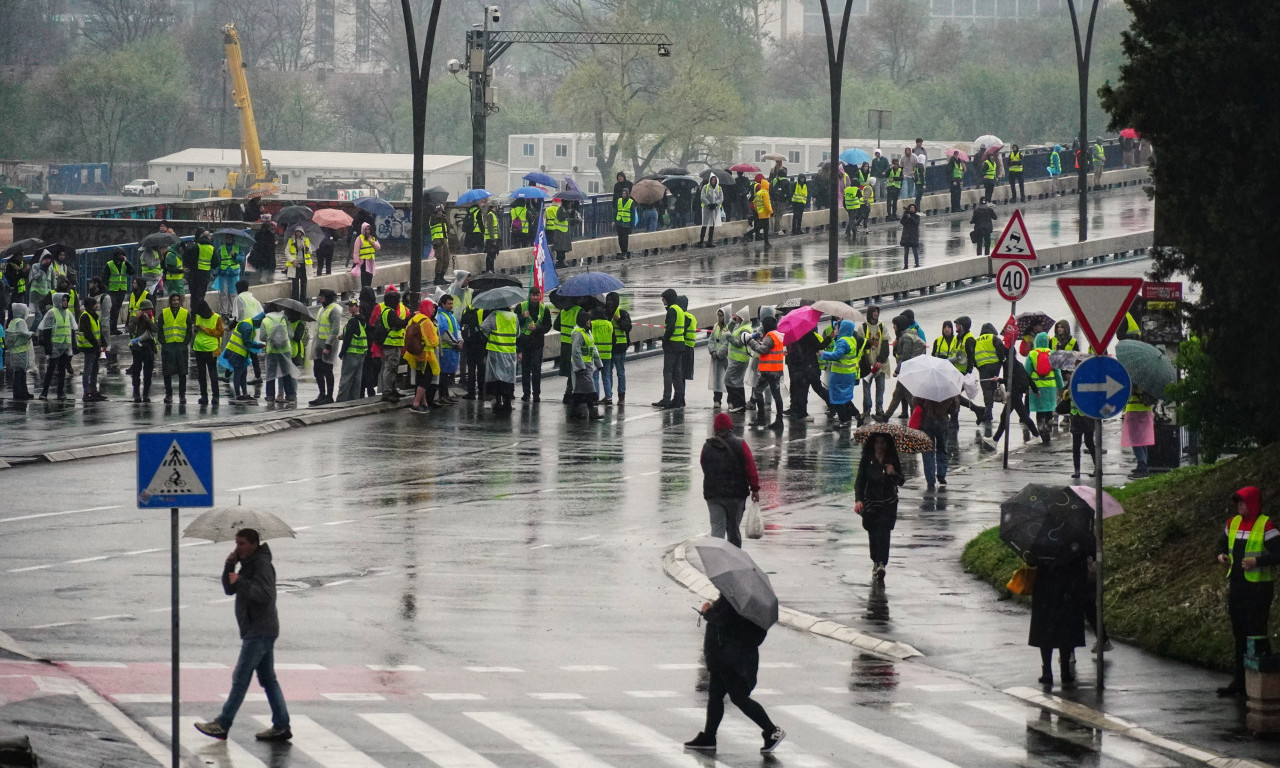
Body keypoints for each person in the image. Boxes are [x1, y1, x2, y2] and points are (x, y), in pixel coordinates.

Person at [195, 528, 291, 743]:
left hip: (259, 630)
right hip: (258, 629)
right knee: (268, 679)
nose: (238, 547)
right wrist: (229, 565)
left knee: (241, 678)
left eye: (242, 544)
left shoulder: (262, 564)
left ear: (254, 544)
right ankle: (282, 725)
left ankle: (222, 723)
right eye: (237, 543)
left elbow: (266, 595)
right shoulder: (247, 564)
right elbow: (230, 590)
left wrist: (241, 581)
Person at [683, 596, 786, 754]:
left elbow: (724, 621)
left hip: (733, 659)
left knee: (739, 698)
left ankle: (772, 731)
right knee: (715, 697)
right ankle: (709, 737)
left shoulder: (735, 600)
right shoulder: (735, 598)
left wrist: (707, 611)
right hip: (723, 656)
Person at [1216, 487, 1280, 697]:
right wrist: (1221, 556)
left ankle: (1263, 682)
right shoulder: (1232, 523)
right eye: (1237, 502)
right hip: (1238, 586)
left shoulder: (1265, 525)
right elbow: (1221, 545)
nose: (1239, 506)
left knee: (1256, 634)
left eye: (1242, 502)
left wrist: (1257, 561)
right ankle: (1241, 681)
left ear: (1252, 503)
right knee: (1239, 633)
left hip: (1259, 588)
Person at [700, 412, 761, 546]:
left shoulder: (707, 446)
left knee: (717, 529)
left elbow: (704, 466)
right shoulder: (740, 444)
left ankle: (718, 560)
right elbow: (750, 467)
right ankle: (734, 558)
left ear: (715, 428)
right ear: (730, 427)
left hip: (713, 495)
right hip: (735, 495)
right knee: (733, 529)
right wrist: (755, 488)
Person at [1029, 551, 1089, 689]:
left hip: (1045, 588)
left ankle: (1047, 672)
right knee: (1065, 628)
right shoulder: (1071, 535)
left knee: (1045, 630)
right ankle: (1065, 671)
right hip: (1067, 588)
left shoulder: (1039, 535)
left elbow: (1031, 559)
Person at [855, 433, 905, 582]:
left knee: (884, 531)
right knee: (873, 533)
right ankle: (875, 560)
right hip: (870, 502)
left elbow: (901, 481)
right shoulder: (867, 459)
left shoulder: (892, 460)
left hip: (888, 502)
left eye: (883, 443)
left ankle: (882, 563)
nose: (880, 446)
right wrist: (858, 500)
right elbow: (860, 481)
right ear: (873, 444)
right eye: (877, 443)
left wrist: (893, 472)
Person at [819, 320, 863, 428]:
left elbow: (836, 355)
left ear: (843, 329)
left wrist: (823, 353)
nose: (835, 330)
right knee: (846, 397)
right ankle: (856, 414)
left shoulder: (842, 341)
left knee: (837, 398)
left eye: (836, 328)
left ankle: (844, 420)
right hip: (849, 373)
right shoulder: (851, 339)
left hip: (840, 374)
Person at [221, 303, 264, 404]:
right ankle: (239, 395)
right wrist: (258, 346)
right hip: (236, 353)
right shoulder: (248, 327)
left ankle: (244, 394)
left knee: (243, 374)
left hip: (241, 353)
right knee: (238, 374)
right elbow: (247, 342)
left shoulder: (249, 324)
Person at [748, 315, 785, 429]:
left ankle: (761, 419)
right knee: (776, 395)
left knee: (758, 391)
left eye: (763, 325)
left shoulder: (770, 336)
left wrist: (750, 342)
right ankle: (779, 420)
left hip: (768, 370)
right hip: (777, 370)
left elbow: (763, 350)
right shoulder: (778, 335)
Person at [406, 298, 441, 413]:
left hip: (416, 354)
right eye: (431, 308)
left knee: (420, 378)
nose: (432, 311)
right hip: (427, 355)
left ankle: (424, 403)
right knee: (426, 379)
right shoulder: (426, 322)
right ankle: (416, 403)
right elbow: (433, 341)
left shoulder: (414, 319)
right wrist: (437, 340)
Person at [481, 303, 518, 413]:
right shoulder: (514, 316)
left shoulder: (494, 315)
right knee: (508, 378)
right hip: (510, 351)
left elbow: (484, 327)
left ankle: (498, 401)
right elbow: (518, 333)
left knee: (496, 377)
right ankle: (508, 402)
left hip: (495, 351)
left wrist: (491, 336)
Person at [1025, 332, 1062, 445]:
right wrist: (1060, 386)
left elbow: (1027, 372)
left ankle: (1041, 431)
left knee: (1040, 411)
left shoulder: (1032, 354)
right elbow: (1057, 372)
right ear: (1047, 342)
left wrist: (1026, 386)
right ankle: (1048, 430)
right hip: (1050, 387)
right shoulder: (1052, 353)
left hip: (1037, 387)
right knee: (1049, 410)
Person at [653, 288, 686, 409]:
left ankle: (666, 398)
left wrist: (664, 341)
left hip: (672, 345)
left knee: (668, 372)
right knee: (677, 373)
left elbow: (670, 328)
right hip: (680, 345)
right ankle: (678, 398)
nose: (662, 301)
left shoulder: (672, 310)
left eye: (664, 299)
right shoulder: (680, 309)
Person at [37, 292, 74, 401]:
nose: (65, 302)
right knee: (51, 369)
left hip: (65, 345)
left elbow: (72, 329)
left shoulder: (68, 313)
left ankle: (60, 392)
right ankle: (44, 392)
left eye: (66, 300)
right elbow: (47, 331)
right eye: (63, 300)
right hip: (55, 346)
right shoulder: (51, 313)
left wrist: (73, 346)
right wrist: (48, 349)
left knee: (62, 370)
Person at [916, 396, 957, 491]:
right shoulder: (948, 390)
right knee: (942, 449)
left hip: (926, 422)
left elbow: (916, 402)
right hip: (942, 423)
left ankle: (930, 480)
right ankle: (941, 474)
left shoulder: (924, 388)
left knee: (927, 452)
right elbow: (954, 408)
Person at [310, 289, 341, 406]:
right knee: (317, 370)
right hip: (318, 344)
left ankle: (329, 396)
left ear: (327, 297)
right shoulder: (322, 309)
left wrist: (328, 345)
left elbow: (335, 329)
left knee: (327, 371)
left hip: (328, 345)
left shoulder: (334, 310)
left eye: (321, 296)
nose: (319, 298)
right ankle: (321, 394)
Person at [159, 293, 191, 404]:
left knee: (182, 373)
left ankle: (182, 395)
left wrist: (185, 343)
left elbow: (189, 331)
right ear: (170, 301)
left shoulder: (185, 313)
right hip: (168, 347)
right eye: (174, 300)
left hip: (181, 347)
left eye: (177, 300)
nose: (176, 302)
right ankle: (169, 395)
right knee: (167, 373)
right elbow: (160, 331)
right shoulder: (164, 313)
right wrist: (164, 343)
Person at [570, 311, 602, 420]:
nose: (590, 321)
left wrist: (598, 363)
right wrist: (580, 366)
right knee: (590, 389)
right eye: (588, 319)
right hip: (582, 367)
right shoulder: (579, 333)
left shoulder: (587, 332)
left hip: (588, 365)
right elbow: (576, 351)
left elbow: (593, 348)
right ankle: (593, 413)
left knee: (579, 390)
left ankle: (574, 411)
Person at [377, 288, 408, 402]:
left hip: (392, 344)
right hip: (392, 344)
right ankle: (388, 392)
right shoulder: (390, 312)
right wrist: (409, 318)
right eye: (397, 301)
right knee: (390, 369)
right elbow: (399, 323)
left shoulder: (386, 311)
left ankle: (392, 389)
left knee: (392, 369)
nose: (399, 303)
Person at [191, 300, 224, 406]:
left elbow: (220, 332)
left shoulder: (216, 317)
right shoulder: (198, 316)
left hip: (210, 349)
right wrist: (196, 329)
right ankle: (204, 396)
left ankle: (214, 396)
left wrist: (206, 329)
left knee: (212, 373)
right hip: (199, 348)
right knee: (202, 374)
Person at [335, 299, 369, 403]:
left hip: (351, 353)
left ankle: (341, 400)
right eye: (349, 305)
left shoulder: (353, 321)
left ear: (358, 307)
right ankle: (354, 399)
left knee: (346, 377)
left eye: (352, 306)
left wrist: (342, 353)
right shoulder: (362, 320)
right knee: (356, 378)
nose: (349, 307)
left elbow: (349, 338)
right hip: (361, 353)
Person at [1122, 385, 1155, 478]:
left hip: (1133, 411)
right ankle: (1143, 464)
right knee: (1142, 441)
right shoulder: (1147, 382)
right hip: (1146, 411)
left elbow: (1127, 394)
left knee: (1135, 441)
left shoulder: (1134, 381)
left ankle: (1142, 467)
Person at [604, 292, 630, 406]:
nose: (609, 304)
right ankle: (608, 396)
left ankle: (621, 396)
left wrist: (618, 320)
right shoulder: (604, 313)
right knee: (607, 373)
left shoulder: (622, 313)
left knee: (620, 372)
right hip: (608, 347)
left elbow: (628, 327)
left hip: (620, 346)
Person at [725, 307, 751, 413]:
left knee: (728, 380)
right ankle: (740, 405)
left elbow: (739, 343)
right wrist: (732, 322)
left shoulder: (745, 329)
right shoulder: (739, 326)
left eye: (738, 317)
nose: (737, 319)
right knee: (738, 382)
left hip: (739, 359)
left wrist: (729, 337)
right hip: (736, 358)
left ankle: (738, 403)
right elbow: (727, 330)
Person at [436, 294, 461, 403]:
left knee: (447, 374)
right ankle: (443, 395)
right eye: (449, 303)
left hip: (452, 349)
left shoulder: (451, 316)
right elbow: (445, 332)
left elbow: (458, 330)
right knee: (443, 374)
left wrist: (460, 341)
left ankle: (445, 395)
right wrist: (456, 343)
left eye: (452, 303)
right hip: (446, 349)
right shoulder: (441, 316)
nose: (451, 305)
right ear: (443, 304)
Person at [5, 302, 33, 400]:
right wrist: (31, 334)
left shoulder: (13, 321)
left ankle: (22, 392)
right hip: (21, 351)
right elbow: (23, 333)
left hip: (15, 351)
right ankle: (20, 393)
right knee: (20, 373)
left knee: (19, 372)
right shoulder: (20, 321)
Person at [103, 248, 133, 334]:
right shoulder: (109, 264)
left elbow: (132, 271)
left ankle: (113, 328)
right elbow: (105, 278)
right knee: (113, 310)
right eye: (120, 255)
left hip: (122, 289)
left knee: (117, 309)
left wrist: (127, 262)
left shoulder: (125, 264)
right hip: (112, 290)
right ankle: (111, 328)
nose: (121, 257)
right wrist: (106, 289)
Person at [707, 306, 731, 408]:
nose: (719, 317)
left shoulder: (729, 327)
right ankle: (717, 400)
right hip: (715, 356)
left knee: (729, 379)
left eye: (721, 315)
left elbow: (728, 342)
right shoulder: (716, 326)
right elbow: (711, 339)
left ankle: (731, 401)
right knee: (717, 379)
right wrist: (712, 351)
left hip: (726, 356)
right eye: (718, 315)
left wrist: (719, 352)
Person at [214, 233, 243, 314]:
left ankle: (233, 312)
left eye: (230, 237)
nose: (228, 239)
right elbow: (218, 260)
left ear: (233, 238)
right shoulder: (220, 248)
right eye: (227, 237)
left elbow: (241, 259)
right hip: (223, 274)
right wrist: (215, 272)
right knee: (223, 293)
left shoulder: (238, 248)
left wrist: (235, 256)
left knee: (233, 293)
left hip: (234, 274)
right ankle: (224, 312)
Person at [189, 229, 215, 307]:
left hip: (193, 275)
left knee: (193, 295)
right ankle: (199, 312)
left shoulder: (194, 246)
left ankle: (193, 314)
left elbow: (188, 258)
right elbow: (215, 263)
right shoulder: (211, 248)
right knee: (200, 296)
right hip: (205, 275)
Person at [285, 229, 311, 303]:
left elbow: (310, 252)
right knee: (295, 283)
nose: (298, 233)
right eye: (297, 232)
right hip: (294, 264)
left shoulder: (306, 240)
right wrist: (292, 260)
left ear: (302, 232)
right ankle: (295, 300)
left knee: (304, 282)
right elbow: (286, 252)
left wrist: (307, 248)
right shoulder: (291, 240)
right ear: (295, 232)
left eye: (300, 232)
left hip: (304, 264)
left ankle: (303, 300)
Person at [352, 223, 380, 288]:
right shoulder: (359, 238)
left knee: (370, 275)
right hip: (363, 261)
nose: (367, 231)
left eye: (368, 229)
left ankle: (369, 288)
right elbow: (356, 251)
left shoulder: (372, 238)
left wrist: (372, 242)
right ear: (363, 230)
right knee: (364, 277)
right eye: (366, 229)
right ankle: (364, 289)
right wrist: (356, 261)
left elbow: (378, 247)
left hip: (371, 259)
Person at [429, 206, 452, 284]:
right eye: (438, 211)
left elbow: (448, 229)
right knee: (440, 259)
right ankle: (437, 278)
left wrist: (446, 221)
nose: (440, 212)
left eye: (441, 211)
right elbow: (434, 222)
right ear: (436, 212)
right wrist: (443, 219)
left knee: (446, 260)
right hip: (437, 241)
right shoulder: (433, 218)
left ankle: (441, 277)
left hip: (444, 241)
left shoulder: (444, 219)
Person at [699, 175, 724, 247]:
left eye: (714, 180)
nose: (713, 181)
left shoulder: (719, 188)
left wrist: (716, 204)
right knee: (704, 225)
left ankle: (710, 241)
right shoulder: (705, 187)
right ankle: (701, 241)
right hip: (706, 209)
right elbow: (702, 197)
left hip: (715, 209)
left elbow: (721, 198)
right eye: (712, 180)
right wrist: (709, 204)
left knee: (712, 225)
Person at [250, 220, 276, 285]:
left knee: (264, 266)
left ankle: (263, 279)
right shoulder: (267, 235)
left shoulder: (261, 234)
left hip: (264, 254)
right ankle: (262, 278)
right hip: (263, 253)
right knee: (263, 266)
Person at [899, 203, 922, 268]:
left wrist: (910, 217)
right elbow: (902, 222)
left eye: (913, 208)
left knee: (915, 251)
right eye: (911, 208)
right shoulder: (906, 215)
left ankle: (917, 264)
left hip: (913, 236)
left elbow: (916, 222)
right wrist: (905, 215)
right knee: (906, 252)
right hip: (906, 236)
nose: (912, 209)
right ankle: (905, 265)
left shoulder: (917, 216)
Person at [751, 178, 772, 247]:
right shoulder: (765, 193)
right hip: (765, 213)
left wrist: (757, 210)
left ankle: (748, 234)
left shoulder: (759, 192)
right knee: (766, 229)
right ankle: (766, 243)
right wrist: (770, 212)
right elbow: (767, 204)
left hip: (760, 213)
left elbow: (754, 202)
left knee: (760, 226)